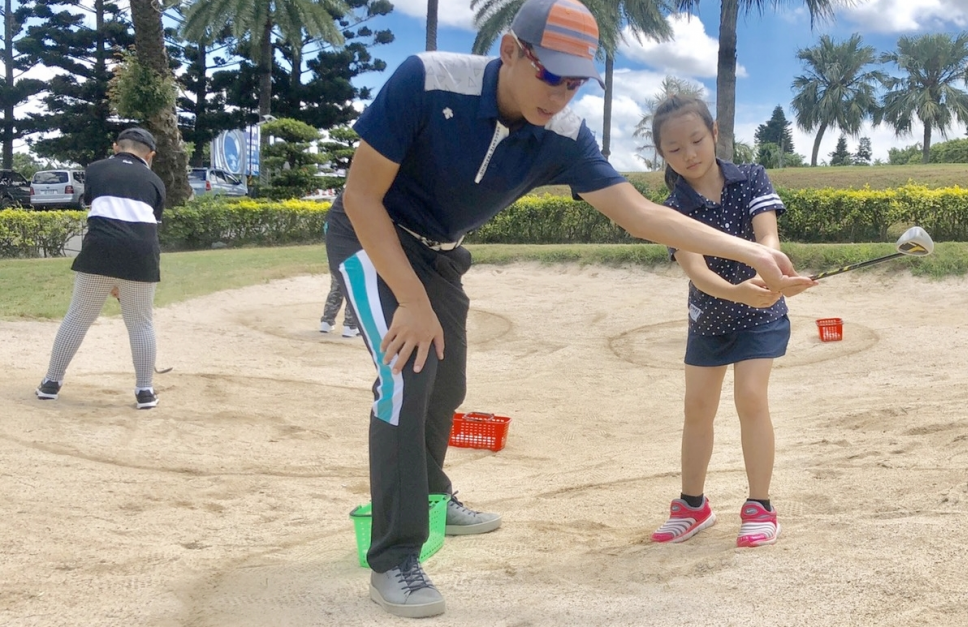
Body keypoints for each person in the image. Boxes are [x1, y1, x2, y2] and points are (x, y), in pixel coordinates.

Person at [325, 0, 810, 618]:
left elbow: (641, 214)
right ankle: (394, 558)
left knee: (447, 384)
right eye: (550, 75)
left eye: (575, 82)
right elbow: (361, 196)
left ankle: (433, 496)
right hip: (371, 236)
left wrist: (754, 252)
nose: (560, 95)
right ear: (509, 51)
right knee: (406, 372)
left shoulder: (563, 136)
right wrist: (412, 301)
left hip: (441, 254)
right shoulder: (426, 79)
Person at [646, 95, 814, 548]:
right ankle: (692, 506)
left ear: (715, 133)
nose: (690, 154)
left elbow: (766, 234)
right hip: (710, 318)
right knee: (696, 409)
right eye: (674, 148)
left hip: (761, 315)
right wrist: (736, 290)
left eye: (696, 140)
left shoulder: (751, 177)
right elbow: (697, 271)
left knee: (751, 398)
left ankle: (760, 506)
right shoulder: (670, 209)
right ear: (662, 154)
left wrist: (774, 270)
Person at [35, 128, 166, 410]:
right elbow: (148, 223)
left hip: (100, 250)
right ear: (150, 155)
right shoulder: (155, 181)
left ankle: (51, 383)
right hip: (141, 255)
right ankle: (145, 391)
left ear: (116, 147)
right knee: (141, 323)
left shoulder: (95, 169)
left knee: (78, 317)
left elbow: (98, 207)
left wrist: (112, 275)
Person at [319, 273, 360, 338]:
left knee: (336, 288)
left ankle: (327, 322)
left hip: (335, 263)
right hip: (354, 265)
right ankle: (350, 326)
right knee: (354, 290)